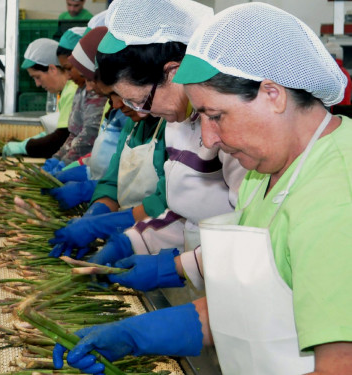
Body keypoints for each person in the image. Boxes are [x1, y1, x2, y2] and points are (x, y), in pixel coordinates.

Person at [55, 3, 352, 374]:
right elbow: (248, 303)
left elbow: (339, 366)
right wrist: (135, 335)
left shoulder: (335, 198)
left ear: (272, 95)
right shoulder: (268, 173)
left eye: (215, 116)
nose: (208, 139)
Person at [49, 0, 246, 268]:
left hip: (228, 277)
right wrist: (131, 242)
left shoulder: (235, 129)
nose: (141, 112)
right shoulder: (175, 122)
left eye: (140, 100)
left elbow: (247, 234)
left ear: (173, 72)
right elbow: (180, 213)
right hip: (195, 270)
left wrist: (174, 271)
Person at [2, 38, 77, 158]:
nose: (37, 84)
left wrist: (26, 146)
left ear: (52, 69)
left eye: (37, 77)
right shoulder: (66, 90)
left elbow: (61, 139)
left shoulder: (72, 90)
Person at [47, 27, 103, 166]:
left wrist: (65, 164)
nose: (68, 75)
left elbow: (89, 135)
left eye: (69, 68)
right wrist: (57, 158)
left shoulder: (99, 92)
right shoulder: (81, 89)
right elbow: (74, 133)